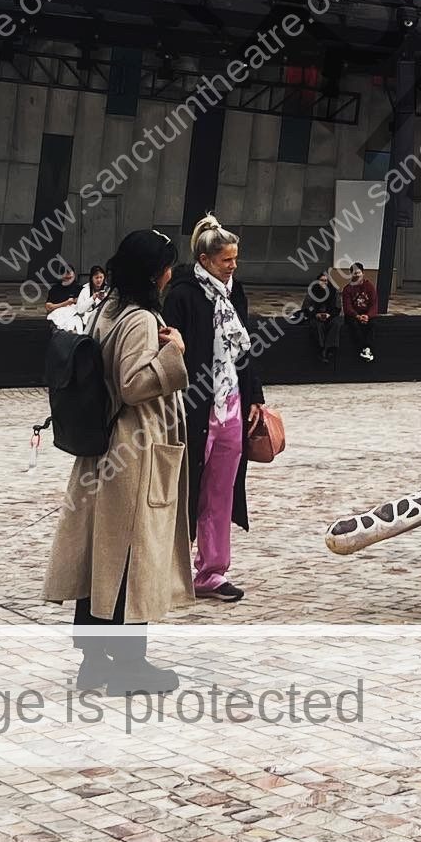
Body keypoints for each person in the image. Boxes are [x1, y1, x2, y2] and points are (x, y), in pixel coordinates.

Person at [43, 229, 193, 695]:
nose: (172, 272)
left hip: (101, 445)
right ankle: (130, 666)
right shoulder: (143, 319)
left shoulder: (107, 307)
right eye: (168, 264)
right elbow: (132, 385)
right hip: (133, 450)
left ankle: (94, 662)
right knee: (131, 554)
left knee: (100, 556)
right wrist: (175, 353)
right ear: (156, 272)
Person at [163, 214, 264, 604]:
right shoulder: (182, 295)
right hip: (194, 408)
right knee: (184, 490)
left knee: (222, 490)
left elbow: (245, 348)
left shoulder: (234, 293)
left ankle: (212, 571)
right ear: (205, 260)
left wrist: (255, 395)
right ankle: (169, 569)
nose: (233, 265)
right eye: (226, 260)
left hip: (231, 405)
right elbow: (171, 353)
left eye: (235, 258)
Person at [302, 270, 342, 363]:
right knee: (317, 325)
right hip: (316, 316)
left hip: (329, 316)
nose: (324, 282)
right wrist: (316, 314)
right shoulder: (312, 292)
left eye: (326, 281)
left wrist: (329, 314)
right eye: (321, 280)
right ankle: (321, 349)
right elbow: (307, 308)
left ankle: (328, 348)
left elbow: (337, 308)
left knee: (336, 323)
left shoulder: (333, 292)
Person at [342, 263, 377, 363]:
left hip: (366, 314)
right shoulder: (347, 289)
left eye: (358, 273)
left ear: (363, 273)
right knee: (353, 325)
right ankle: (364, 348)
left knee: (373, 324)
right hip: (353, 315)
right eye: (354, 273)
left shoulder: (369, 287)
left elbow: (374, 304)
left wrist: (368, 316)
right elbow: (347, 307)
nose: (356, 275)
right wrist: (357, 316)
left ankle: (367, 348)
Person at [45, 264, 83, 331]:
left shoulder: (79, 288)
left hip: (74, 314)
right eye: (67, 278)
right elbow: (48, 307)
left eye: (71, 278)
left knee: (76, 321)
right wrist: (66, 303)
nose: (70, 280)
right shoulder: (55, 289)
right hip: (59, 314)